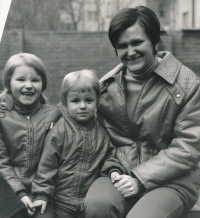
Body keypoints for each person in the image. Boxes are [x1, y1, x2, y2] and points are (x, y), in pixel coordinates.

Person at [83, 6, 200, 218]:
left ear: (154, 40)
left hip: (174, 180)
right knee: (96, 205)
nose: (130, 52)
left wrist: (139, 179)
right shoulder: (104, 88)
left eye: (137, 42)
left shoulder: (187, 85)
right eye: (122, 46)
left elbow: (188, 147)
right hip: (119, 172)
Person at [31, 70, 125, 218]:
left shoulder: (101, 131)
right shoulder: (60, 130)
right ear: (65, 102)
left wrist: (113, 169)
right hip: (60, 202)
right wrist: (42, 194)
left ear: (97, 101)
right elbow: (47, 165)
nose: (82, 106)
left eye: (89, 100)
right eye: (75, 101)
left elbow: (109, 156)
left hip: (86, 202)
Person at [0, 53, 62, 218]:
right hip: (7, 191)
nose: (28, 85)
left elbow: (53, 158)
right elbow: (1, 162)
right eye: (21, 80)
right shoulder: (2, 115)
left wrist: (42, 193)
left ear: (43, 84)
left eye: (35, 80)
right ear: (8, 83)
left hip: (43, 190)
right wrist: (19, 193)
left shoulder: (54, 115)